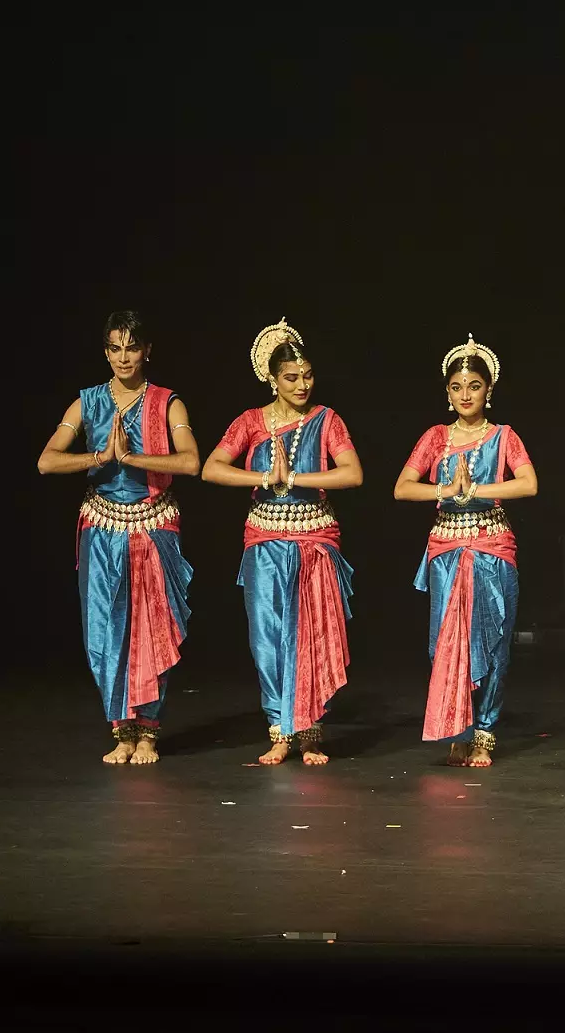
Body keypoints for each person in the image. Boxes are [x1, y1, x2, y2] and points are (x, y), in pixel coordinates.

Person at [35, 309, 200, 764]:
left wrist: (132, 460)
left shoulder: (168, 403)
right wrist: (100, 457)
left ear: (147, 351)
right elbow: (47, 461)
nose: (124, 357)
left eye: (132, 348)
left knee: (152, 628)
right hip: (103, 529)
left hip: (154, 525)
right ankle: (122, 730)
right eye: (115, 348)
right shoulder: (86, 403)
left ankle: (148, 731)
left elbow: (190, 462)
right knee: (105, 628)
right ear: (105, 352)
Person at [202, 318, 363, 765]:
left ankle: (309, 732)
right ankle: (280, 729)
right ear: (271, 379)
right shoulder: (251, 421)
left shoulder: (327, 420)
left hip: (314, 538)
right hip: (265, 539)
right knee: (267, 636)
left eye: (308, 375)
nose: (302, 385)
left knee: (313, 633)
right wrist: (262, 479)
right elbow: (212, 468)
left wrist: (293, 480)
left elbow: (352, 473)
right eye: (291, 377)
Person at [395, 335, 537, 767]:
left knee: (494, 642)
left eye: (474, 386)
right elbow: (402, 488)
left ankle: (485, 733)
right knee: (445, 643)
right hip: (447, 550)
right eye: (457, 387)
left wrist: (475, 490)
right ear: (447, 392)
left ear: (488, 390)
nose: (465, 395)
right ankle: (456, 730)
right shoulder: (436, 437)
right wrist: (446, 491)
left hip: (492, 547)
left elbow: (529, 484)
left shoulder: (504, 436)